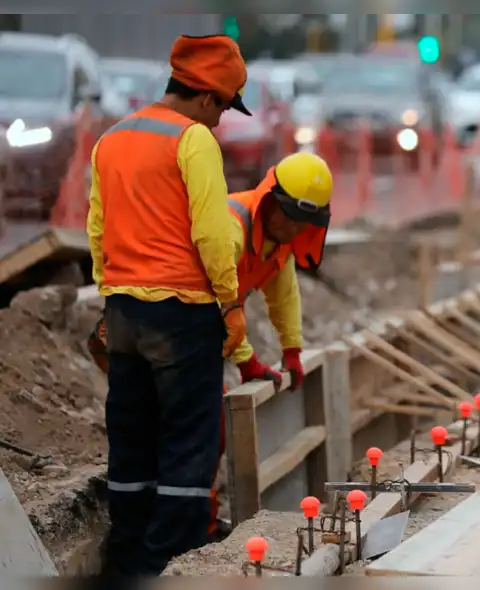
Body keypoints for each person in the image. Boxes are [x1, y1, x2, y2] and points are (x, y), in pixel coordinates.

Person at [87, 151, 332, 544]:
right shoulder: (231, 226)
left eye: (305, 223)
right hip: (152, 330)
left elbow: (283, 293)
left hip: (182, 337)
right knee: (190, 431)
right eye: (290, 217)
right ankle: (169, 537)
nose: (293, 228)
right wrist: (247, 360)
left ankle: (190, 528)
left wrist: (292, 349)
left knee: (199, 432)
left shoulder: (280, 241)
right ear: (271, 200)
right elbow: (217, 298)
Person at [87, 35, 251, 576]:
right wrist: (229, 303)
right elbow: (211, 233)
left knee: (132, 438)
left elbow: (97, 228)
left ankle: (126, 561)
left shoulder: (111, 138)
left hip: (124, 311)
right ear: (206, 97)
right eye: (224, 107)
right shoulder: (193, 139)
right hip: (182, 314)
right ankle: (167, 567)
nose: (222, 121)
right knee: (187, 445)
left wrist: (108, 295)